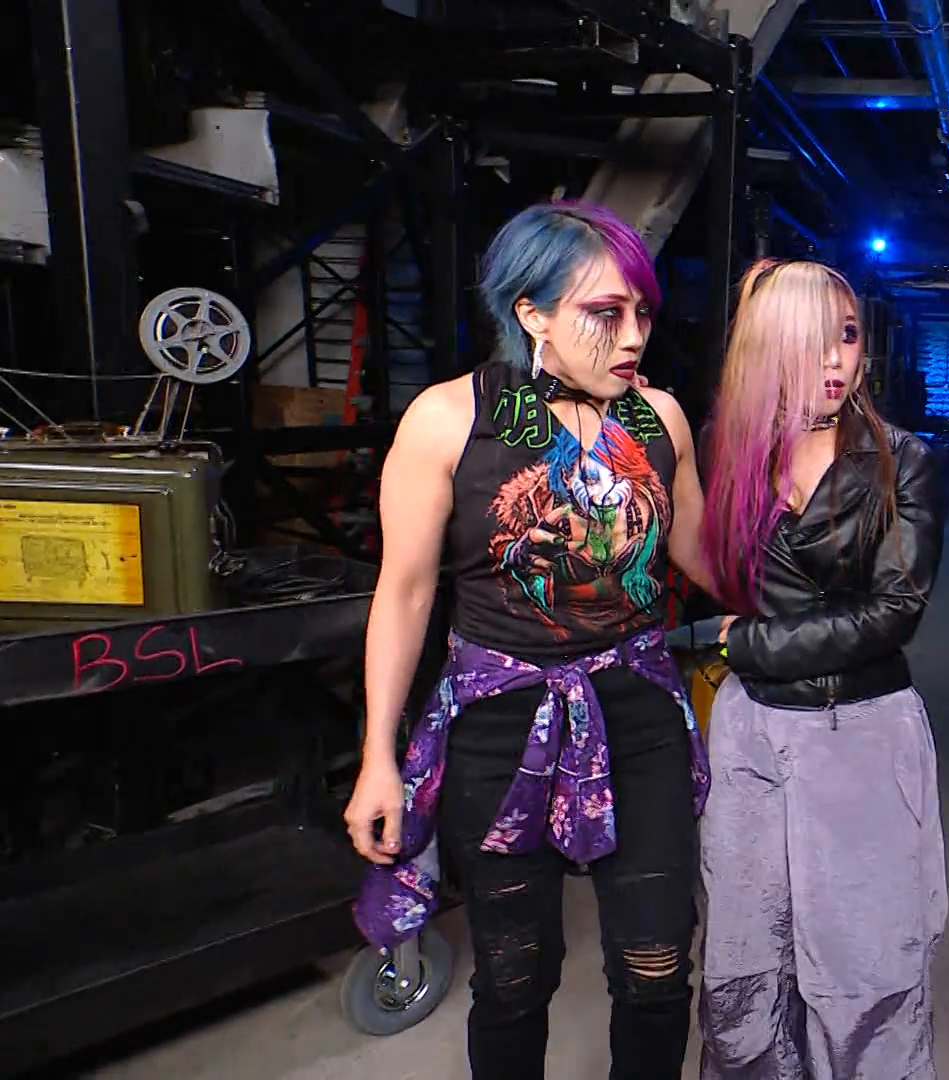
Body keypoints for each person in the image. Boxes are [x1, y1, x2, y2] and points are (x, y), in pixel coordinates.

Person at [345, 201, 713, 1079]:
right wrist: (377, 758)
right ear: (532, 313)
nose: (634, 336)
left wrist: (809, 541)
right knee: (513, 978)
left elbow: (704, 556)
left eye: (643, 312)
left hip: (638, 715)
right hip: (499, 723)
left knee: (658, 971)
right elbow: (404, 593)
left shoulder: (658, 417)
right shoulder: (449, 418)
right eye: (605, 313)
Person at [695, 258, 947, 1078]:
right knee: (745, 966)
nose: (837, 361)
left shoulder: (901, 459)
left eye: (847, 336)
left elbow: (893, 612)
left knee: (867, 971)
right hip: (750, 736)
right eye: (812, 341)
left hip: (861, 731)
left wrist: (741, 644)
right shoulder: (729, 450)